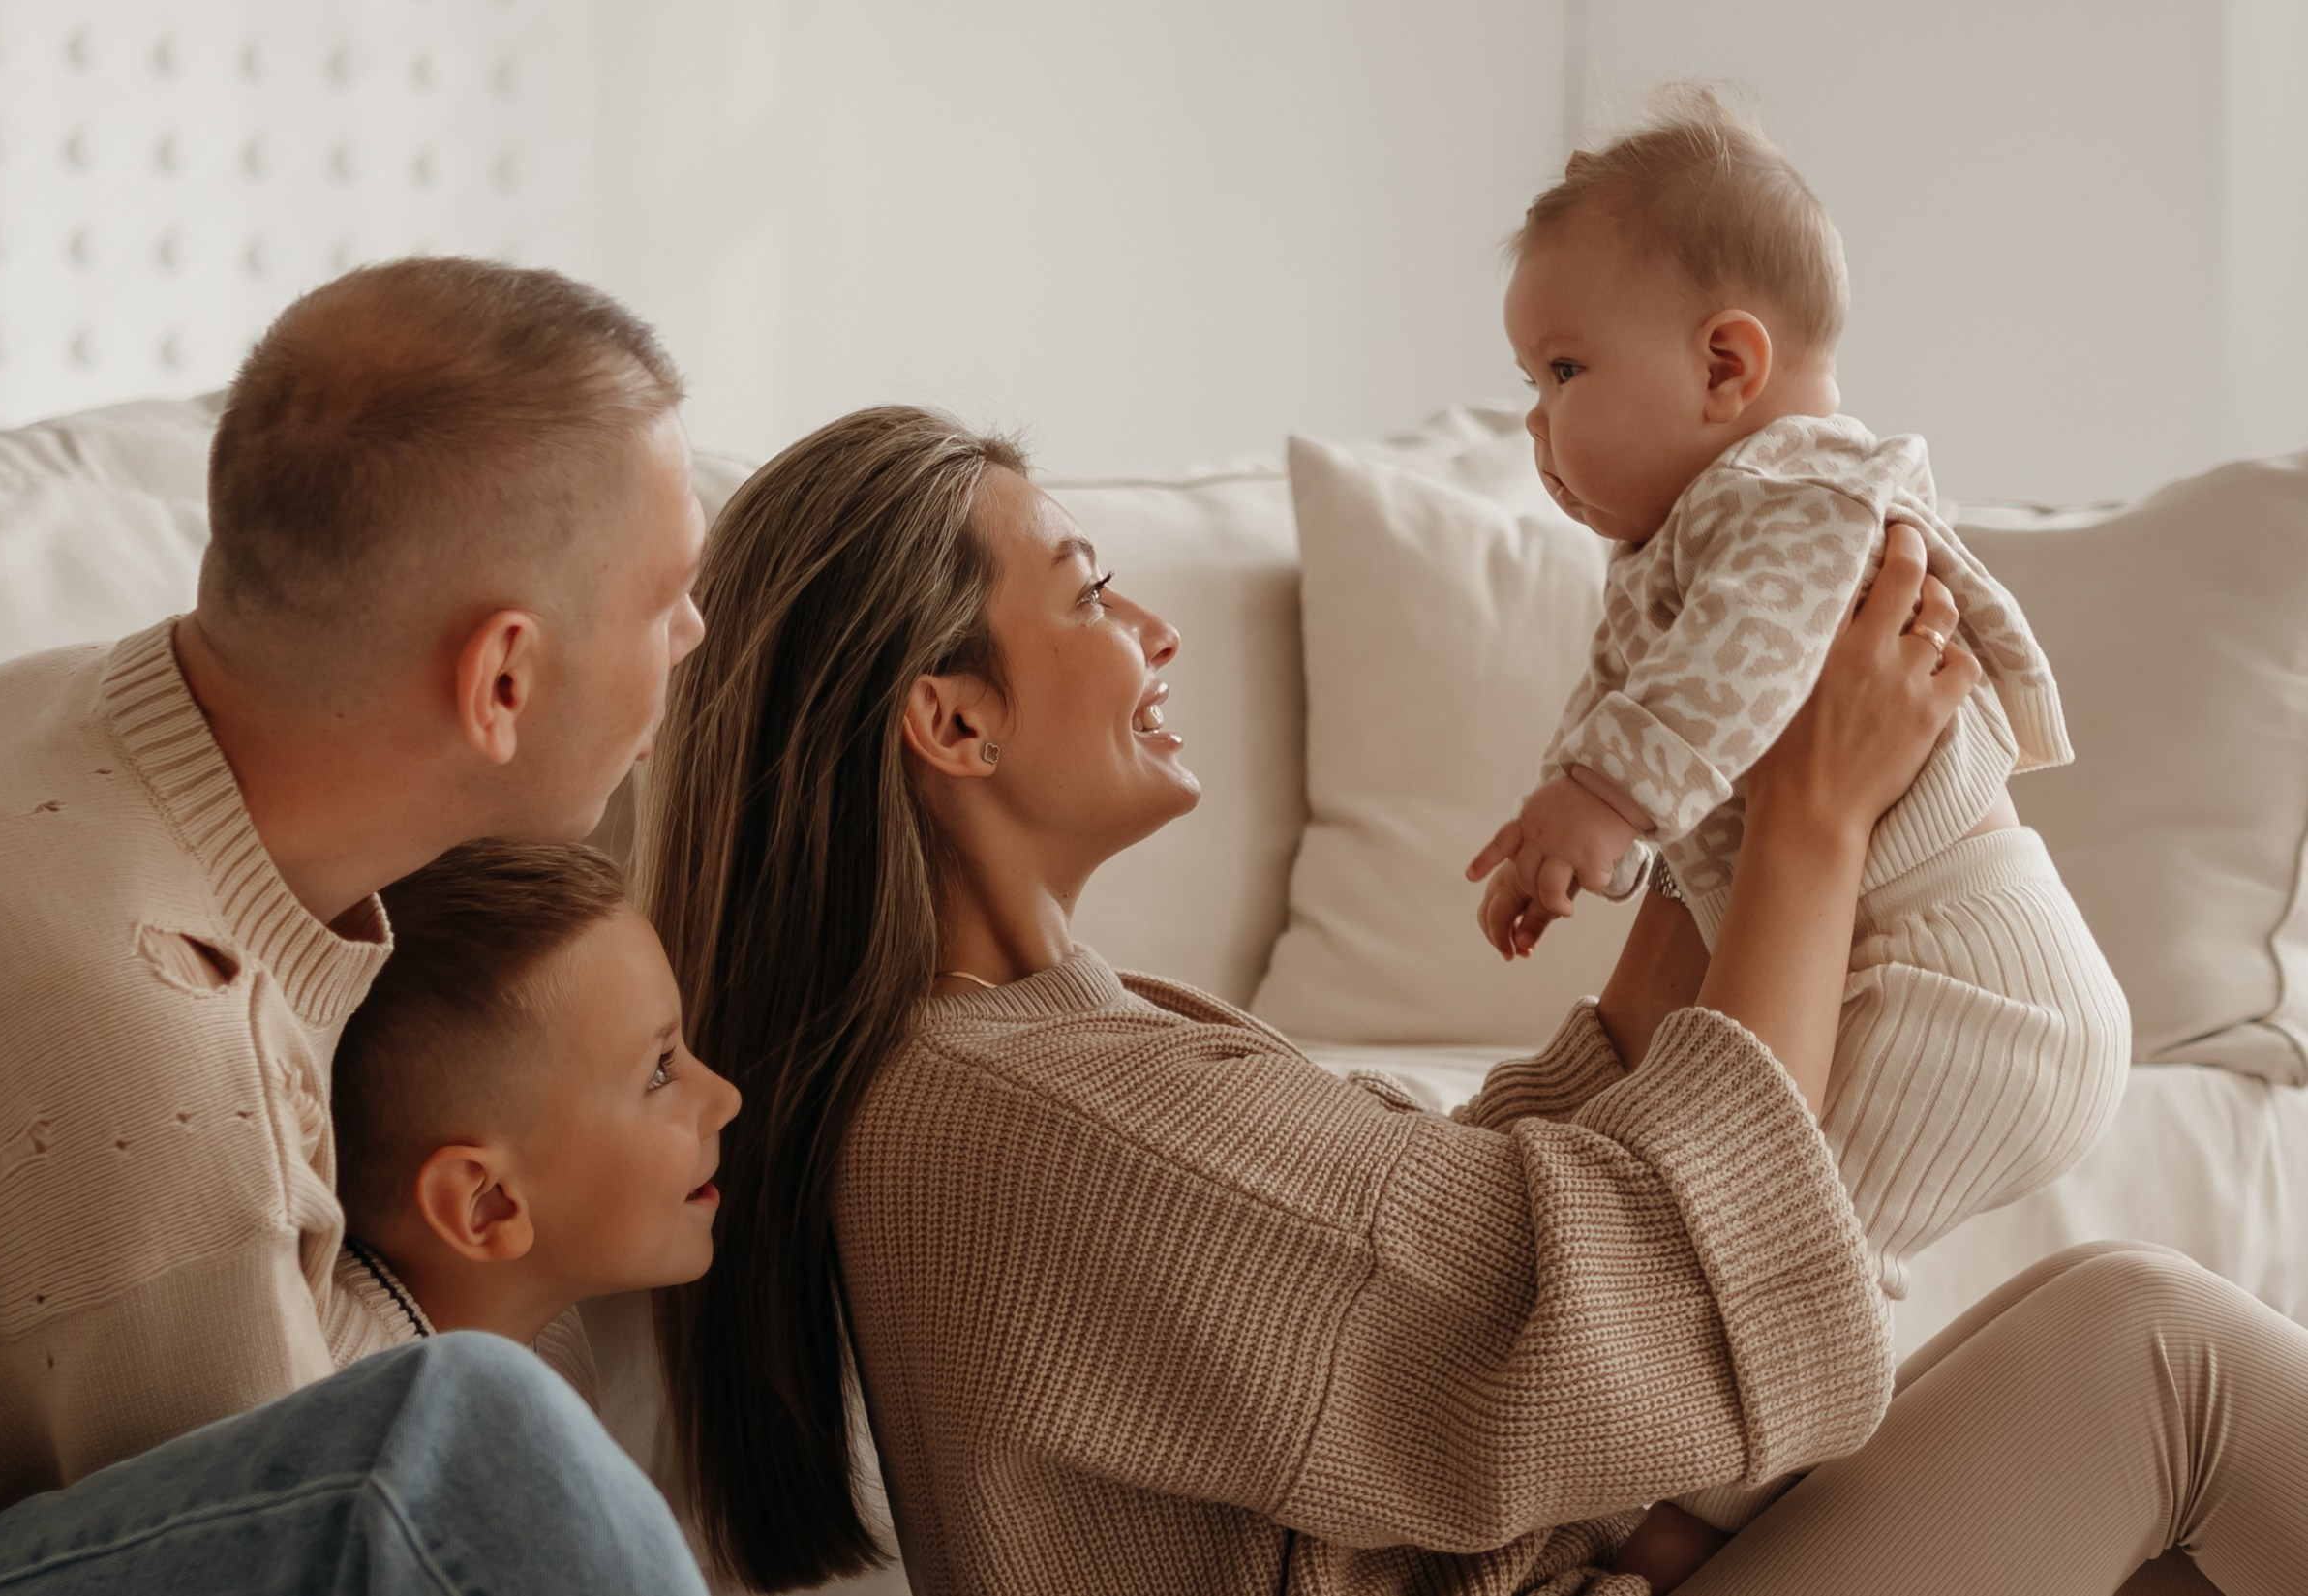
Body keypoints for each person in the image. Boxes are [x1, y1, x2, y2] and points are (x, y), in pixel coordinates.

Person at [643, 403, 2308, 1595]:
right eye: (1085, 591)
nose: (1150, 629)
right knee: (2154, 1356)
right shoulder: (1029, 1112)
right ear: (949, 724)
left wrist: (1691, 814)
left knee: (2126, 1430)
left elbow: (1433, 1236)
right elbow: (1617, 1301)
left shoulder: (1011, 1059)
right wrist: (1806, 817)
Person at [0, 258, 713, 1591]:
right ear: (502, 679)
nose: (690, 637)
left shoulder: (37, 707)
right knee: (474, 1442)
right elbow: (324, 1531)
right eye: (665, 597)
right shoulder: (159, 1072)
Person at [1469, 87, 2132, 1538]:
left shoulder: (1801, 487)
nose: (1533, 426)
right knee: (1739, 1217)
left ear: (1725, 365)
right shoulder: (1687, 532)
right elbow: (1635, 692)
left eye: (1562, 368)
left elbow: (1744, 667)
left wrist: (1604, 793)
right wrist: (1577, 823)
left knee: (1782, 1239)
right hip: (1903, 955)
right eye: (1528, 382)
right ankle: (1728, 1491)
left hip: (1971, 979)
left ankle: (1714, 1510)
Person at [327, 839, 742, 1352]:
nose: (728, 1098)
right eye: (659, 1073)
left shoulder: (535, 1332)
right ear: (488, 1204)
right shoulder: (411, 1423)